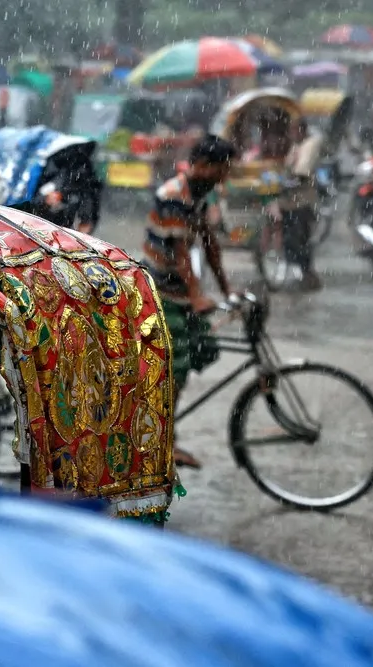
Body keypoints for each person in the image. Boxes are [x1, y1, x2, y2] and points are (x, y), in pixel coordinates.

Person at [143, 135, 237, 470]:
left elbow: (210, 244)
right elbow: (181, 254)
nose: (224, 175)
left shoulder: (203, 194)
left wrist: (228, 291)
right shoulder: (173, 196)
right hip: (162, 290)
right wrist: (197, 295)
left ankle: (162, 425)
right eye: (221, 169)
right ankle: (161, 441)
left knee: (205, 347)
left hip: (183, 289)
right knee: (175, 368)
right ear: (202, 166)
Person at [267, 118, 324, 291]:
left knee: (298, 240)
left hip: (302, 202)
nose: (291, 134)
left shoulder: (310, 144)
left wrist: (283, 182)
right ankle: (301, 275)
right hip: (289, 202)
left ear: (300, 130)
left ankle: (307, 276)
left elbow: (302, 172)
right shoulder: (296, 145)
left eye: (293, 130)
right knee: (289, 241)